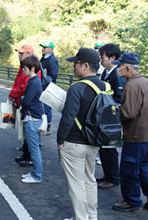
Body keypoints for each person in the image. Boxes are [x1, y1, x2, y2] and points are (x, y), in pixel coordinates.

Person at [58, 48, 105, 220]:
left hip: (73, 142)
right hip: (94, 141)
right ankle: (92, 216)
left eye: (76, 63)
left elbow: (68, 117)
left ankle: (81, 218)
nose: (73, 66)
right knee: (89, 180)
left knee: (76, 186)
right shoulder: (105, 86)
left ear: (85, 65)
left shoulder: (77, 88)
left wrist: (60, 140)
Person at [111, 52, 148, 212]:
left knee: (129, 169)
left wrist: (116, 110)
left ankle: (132, 201)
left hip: (136, 135)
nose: (118, 70)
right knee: (144, 165)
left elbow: (128, 113)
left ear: (127, 68)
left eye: (120, 67)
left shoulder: (132, 85)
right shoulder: (147, 82)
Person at [96, 43, 126, 189]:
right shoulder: (105, 73)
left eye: (103, 57)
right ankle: (107, 175)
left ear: (112, 58)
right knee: (103, 147)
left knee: (110, 148)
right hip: (104, 116)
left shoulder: (118, 75)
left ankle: (113, 178)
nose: (101, 59)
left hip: (112, 118)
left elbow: (119, 98)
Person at [9, 45, 41, 167]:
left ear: (29, 54)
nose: (19, 55)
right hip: (24, 106)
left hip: (30, 111)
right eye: (19, 53)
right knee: (26, 133)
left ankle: (29, 158)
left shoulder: (32, 74)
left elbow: (24, 88)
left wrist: (14, 95)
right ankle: (26, 155)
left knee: (29, 133)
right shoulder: (23, 68)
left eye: (22, 54)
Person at [20, 55, 44, 184]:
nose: (23, 70)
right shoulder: (35, 81)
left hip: (32, 118)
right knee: (33, 147)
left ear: (32, 68)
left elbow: (27, 101)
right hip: (34, 116)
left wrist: (22, 100)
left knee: (34, 148)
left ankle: (36, 175)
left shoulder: (34, 82)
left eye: (25, 68)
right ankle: (34, 172)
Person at [39, 41, 59, 135]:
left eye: (45, 47)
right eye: (43, 47)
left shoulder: (52, 60)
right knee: (42, 106)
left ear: (50, 49)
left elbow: (54, 75)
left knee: (47, 107)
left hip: (48, 87)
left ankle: (48, 127)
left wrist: (46, 80)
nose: (43, 49)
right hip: (43, 85)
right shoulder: (43, 58)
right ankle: (43, 125)